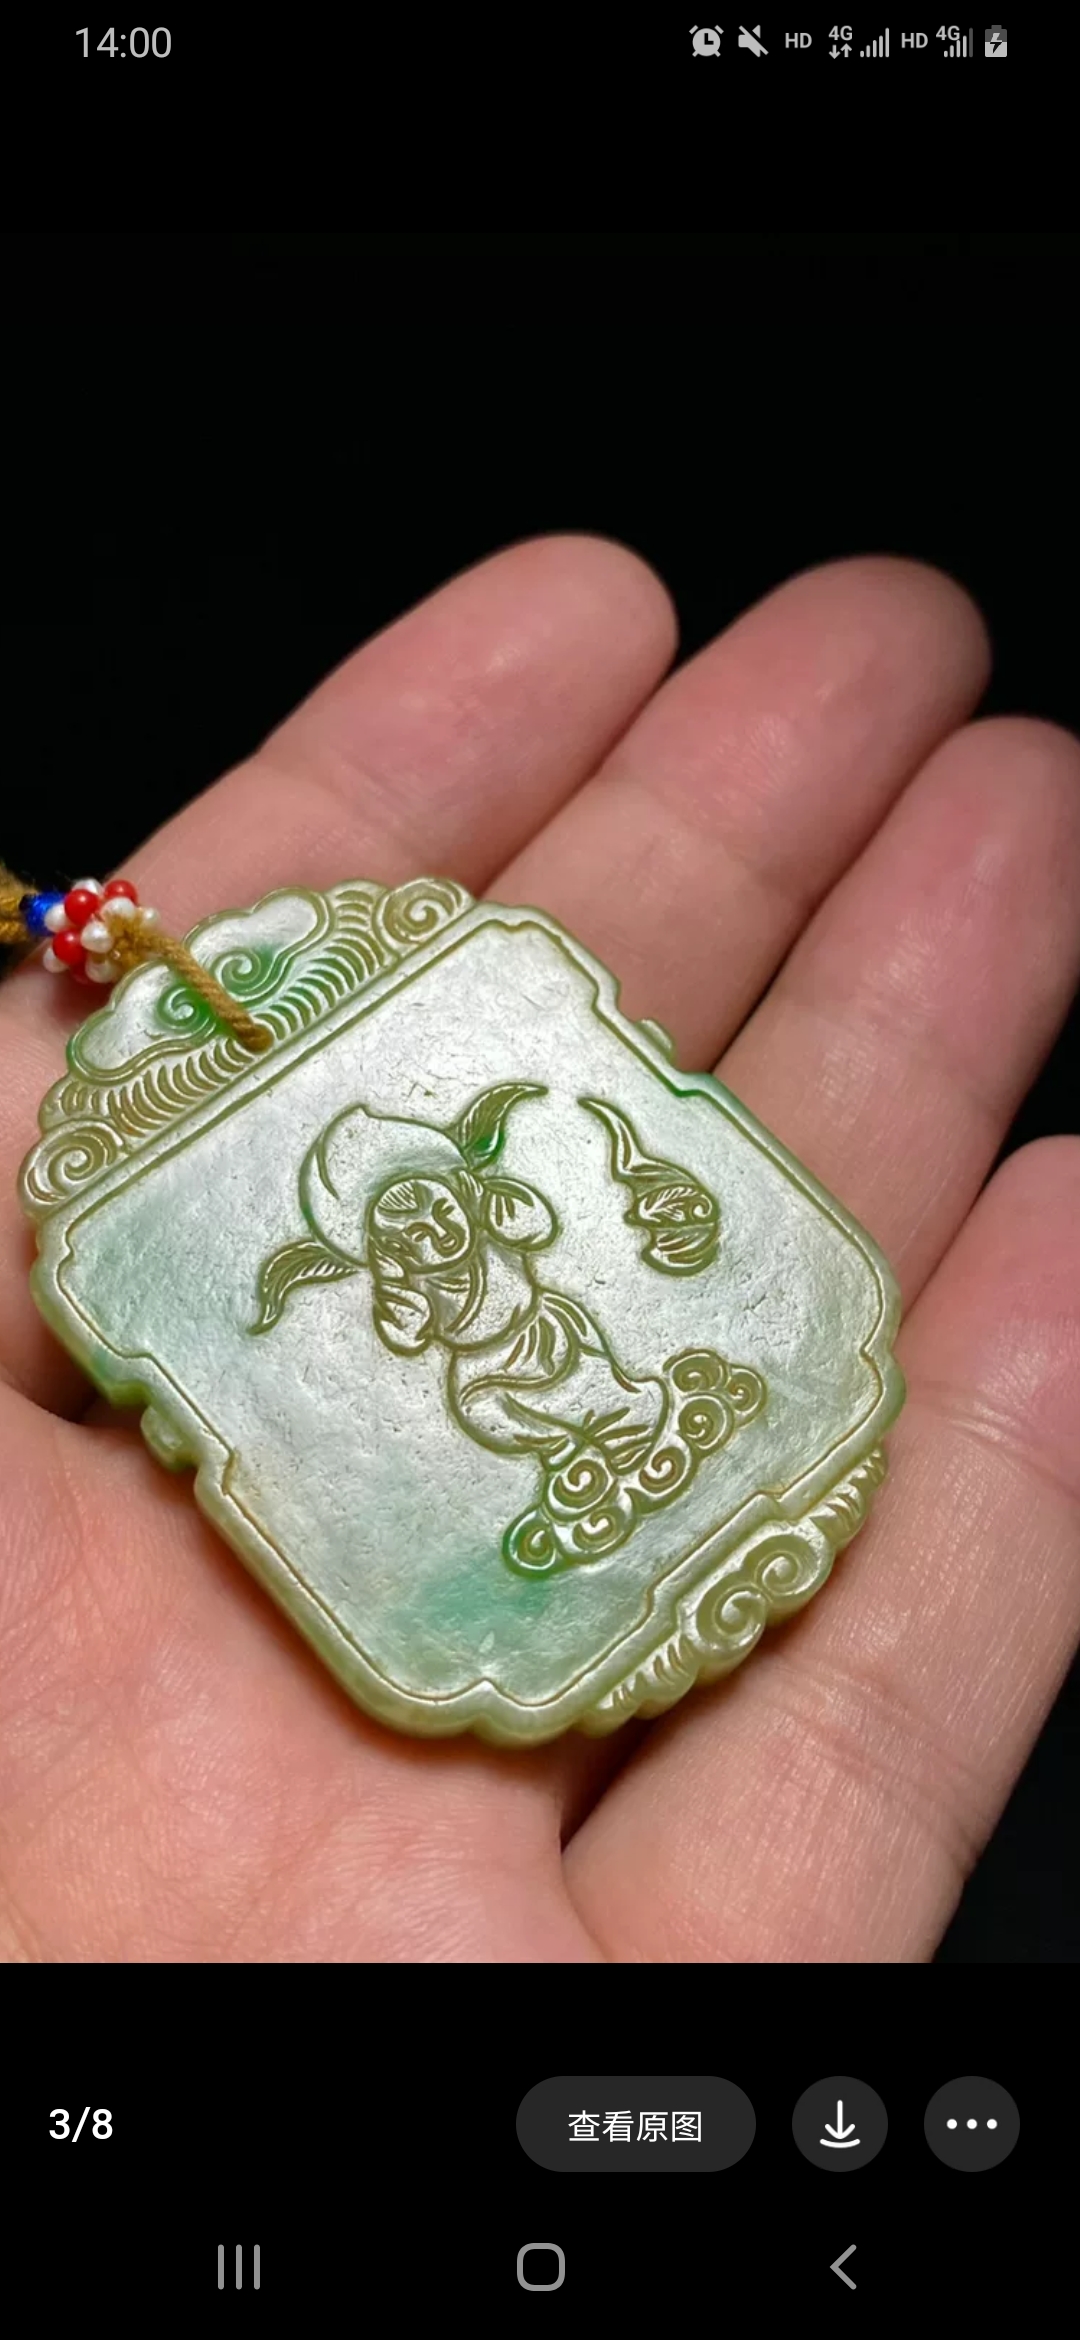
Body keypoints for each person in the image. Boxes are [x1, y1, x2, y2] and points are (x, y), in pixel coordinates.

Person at [0, 535, 1077, 1961]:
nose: (418, 1232)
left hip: (560, 1338)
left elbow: (522, 1207)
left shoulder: (480, 1216)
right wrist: (414, 1297)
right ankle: (600, 1452)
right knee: (510, 1402)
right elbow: (406, 1325)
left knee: (587, 1355)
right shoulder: (407, 1282)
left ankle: (637, 1423)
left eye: (425, 1205)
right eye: (392, 1229)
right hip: (500, 1383)